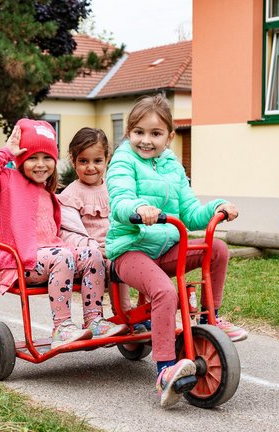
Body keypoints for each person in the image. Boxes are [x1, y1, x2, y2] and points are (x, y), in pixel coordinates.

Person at [105, 94, 247, 408]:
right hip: (130, 251)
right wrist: (139, 208)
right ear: (129, 133)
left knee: (217, 249)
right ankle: (164, 370)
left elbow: (190, 211)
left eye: (155, 134)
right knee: (166, 293)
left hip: (166, 247)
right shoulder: (123, 160)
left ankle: (211, 319)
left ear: (170, 137)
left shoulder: (172, 165)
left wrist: (216, 208)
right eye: (138, 132)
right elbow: (120, 198)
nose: (145, 140)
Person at [0, 119, 128, 349]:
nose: (40, 164)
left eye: (47, 158)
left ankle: (94, 320)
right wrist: (7, 152)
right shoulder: (6, 181)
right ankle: (62, 327)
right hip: (19, 262)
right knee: (62, 257)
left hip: (51, 258)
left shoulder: (48, 192)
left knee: (92, 255)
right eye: (32, 158)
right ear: (20, 159)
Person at [57, 127, 150, 332]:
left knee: (145, 261)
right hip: (94, 253)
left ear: (107, 159)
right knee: (117, 265)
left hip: (119, 245)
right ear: (73, 160)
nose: (91, 167)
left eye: (97, 161)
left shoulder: (114, 188)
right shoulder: (71, 194)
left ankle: (149, 309)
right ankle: (124, 315)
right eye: (84, 161)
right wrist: (95, 248)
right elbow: (71, 231)